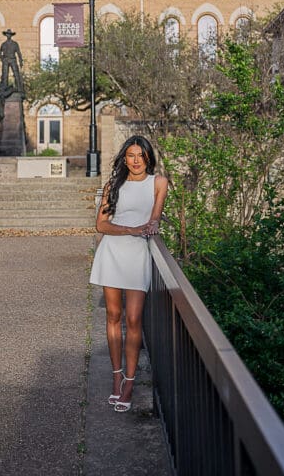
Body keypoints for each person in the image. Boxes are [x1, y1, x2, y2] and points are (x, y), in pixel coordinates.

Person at [89, 135, 168, 412]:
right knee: (113, 316)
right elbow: (101, 225)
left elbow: (154, 220)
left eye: (140, 155)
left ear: (148, 157)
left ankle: (131, 381)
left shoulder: (158, 183)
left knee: (134, 319)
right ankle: (116, 377)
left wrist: (148, 227)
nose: (136, 161)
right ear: (125, 158)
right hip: (112, 253)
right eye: (131, 155)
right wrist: (131, 230)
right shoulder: (114, 185)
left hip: (138, 257)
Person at [0, 29, 24, 96]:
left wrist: (21, 61)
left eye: (9, 34)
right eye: (7, 34)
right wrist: (2, 58)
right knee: (5, 75)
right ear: (6, 35)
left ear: (11, 35)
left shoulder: (15, 44)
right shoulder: (3, 44)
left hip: (13, 60)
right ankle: (5, 88)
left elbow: (18, 52)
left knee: (16, 74)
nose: (8, 35)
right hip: (6, 60)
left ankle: (19, 89)